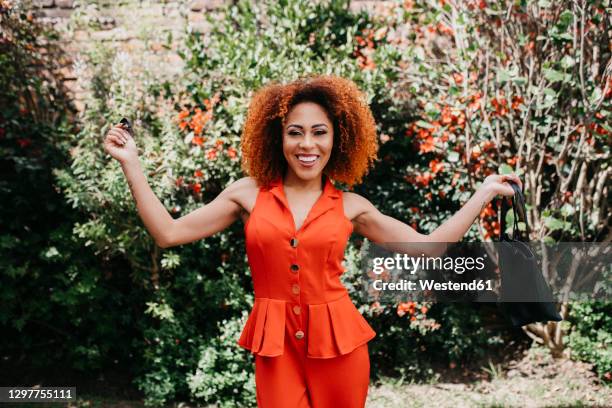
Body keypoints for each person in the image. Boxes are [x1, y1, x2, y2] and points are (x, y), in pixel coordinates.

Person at [103, 75, 522, 408]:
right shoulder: (246, 194)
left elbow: (428, 246)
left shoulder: (352, 206)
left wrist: (483, 192)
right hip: (275, 347)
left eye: (319, 132)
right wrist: (131, 163)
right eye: (295, 133)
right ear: (278, 138)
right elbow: (169, 232)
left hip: (340, 347)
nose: (307, 144)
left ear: (336, 139)